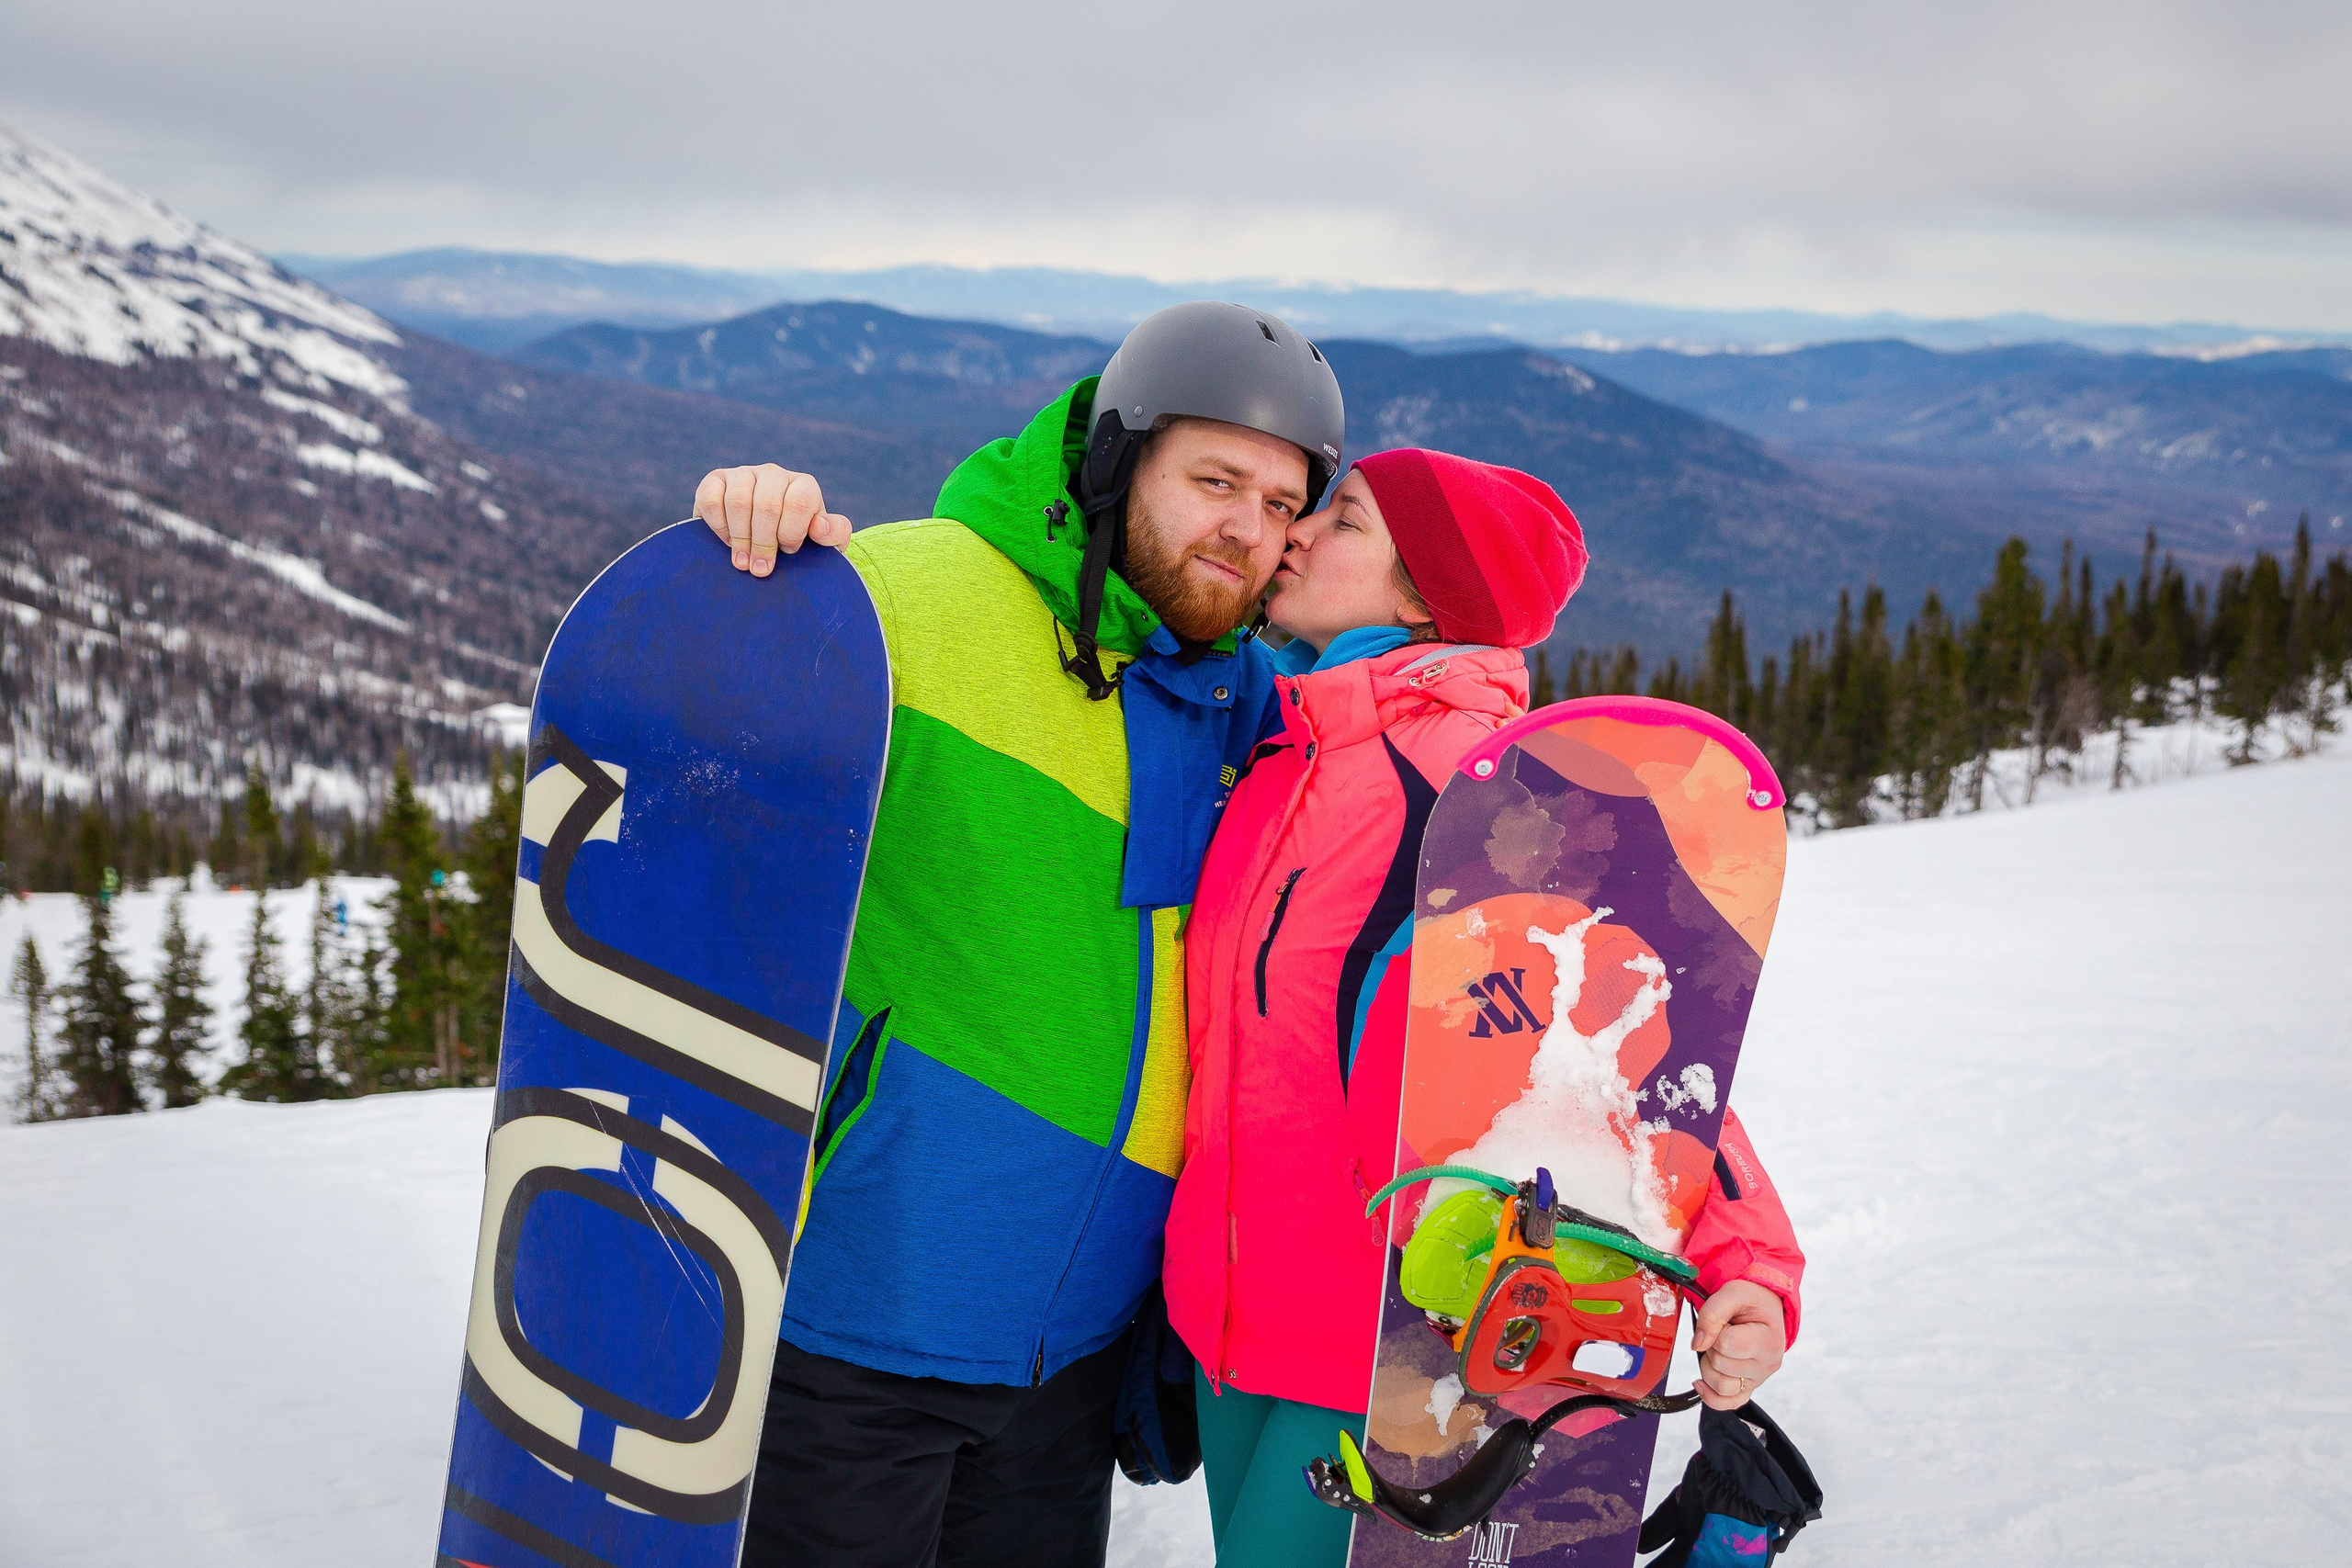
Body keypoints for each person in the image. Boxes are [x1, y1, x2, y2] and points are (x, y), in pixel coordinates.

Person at [695, 300, 1338, 1568]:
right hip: (856, 1320)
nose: (1246, 532)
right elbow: (708, 725)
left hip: (1075, 1354)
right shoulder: (917, 592)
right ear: (1113, 462)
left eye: (1280, 507)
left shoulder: (1243, 705)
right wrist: (745, 533)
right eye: (1215, 481)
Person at [1159, 448, 1806, 1567]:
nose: (1299, 534)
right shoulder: (1279, 749)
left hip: (1381, 1346)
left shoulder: (1481, 797)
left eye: (1344, 520)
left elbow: (1634, 1056)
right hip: (1230, 1328)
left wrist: (1746, 1262)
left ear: (1424, 600)